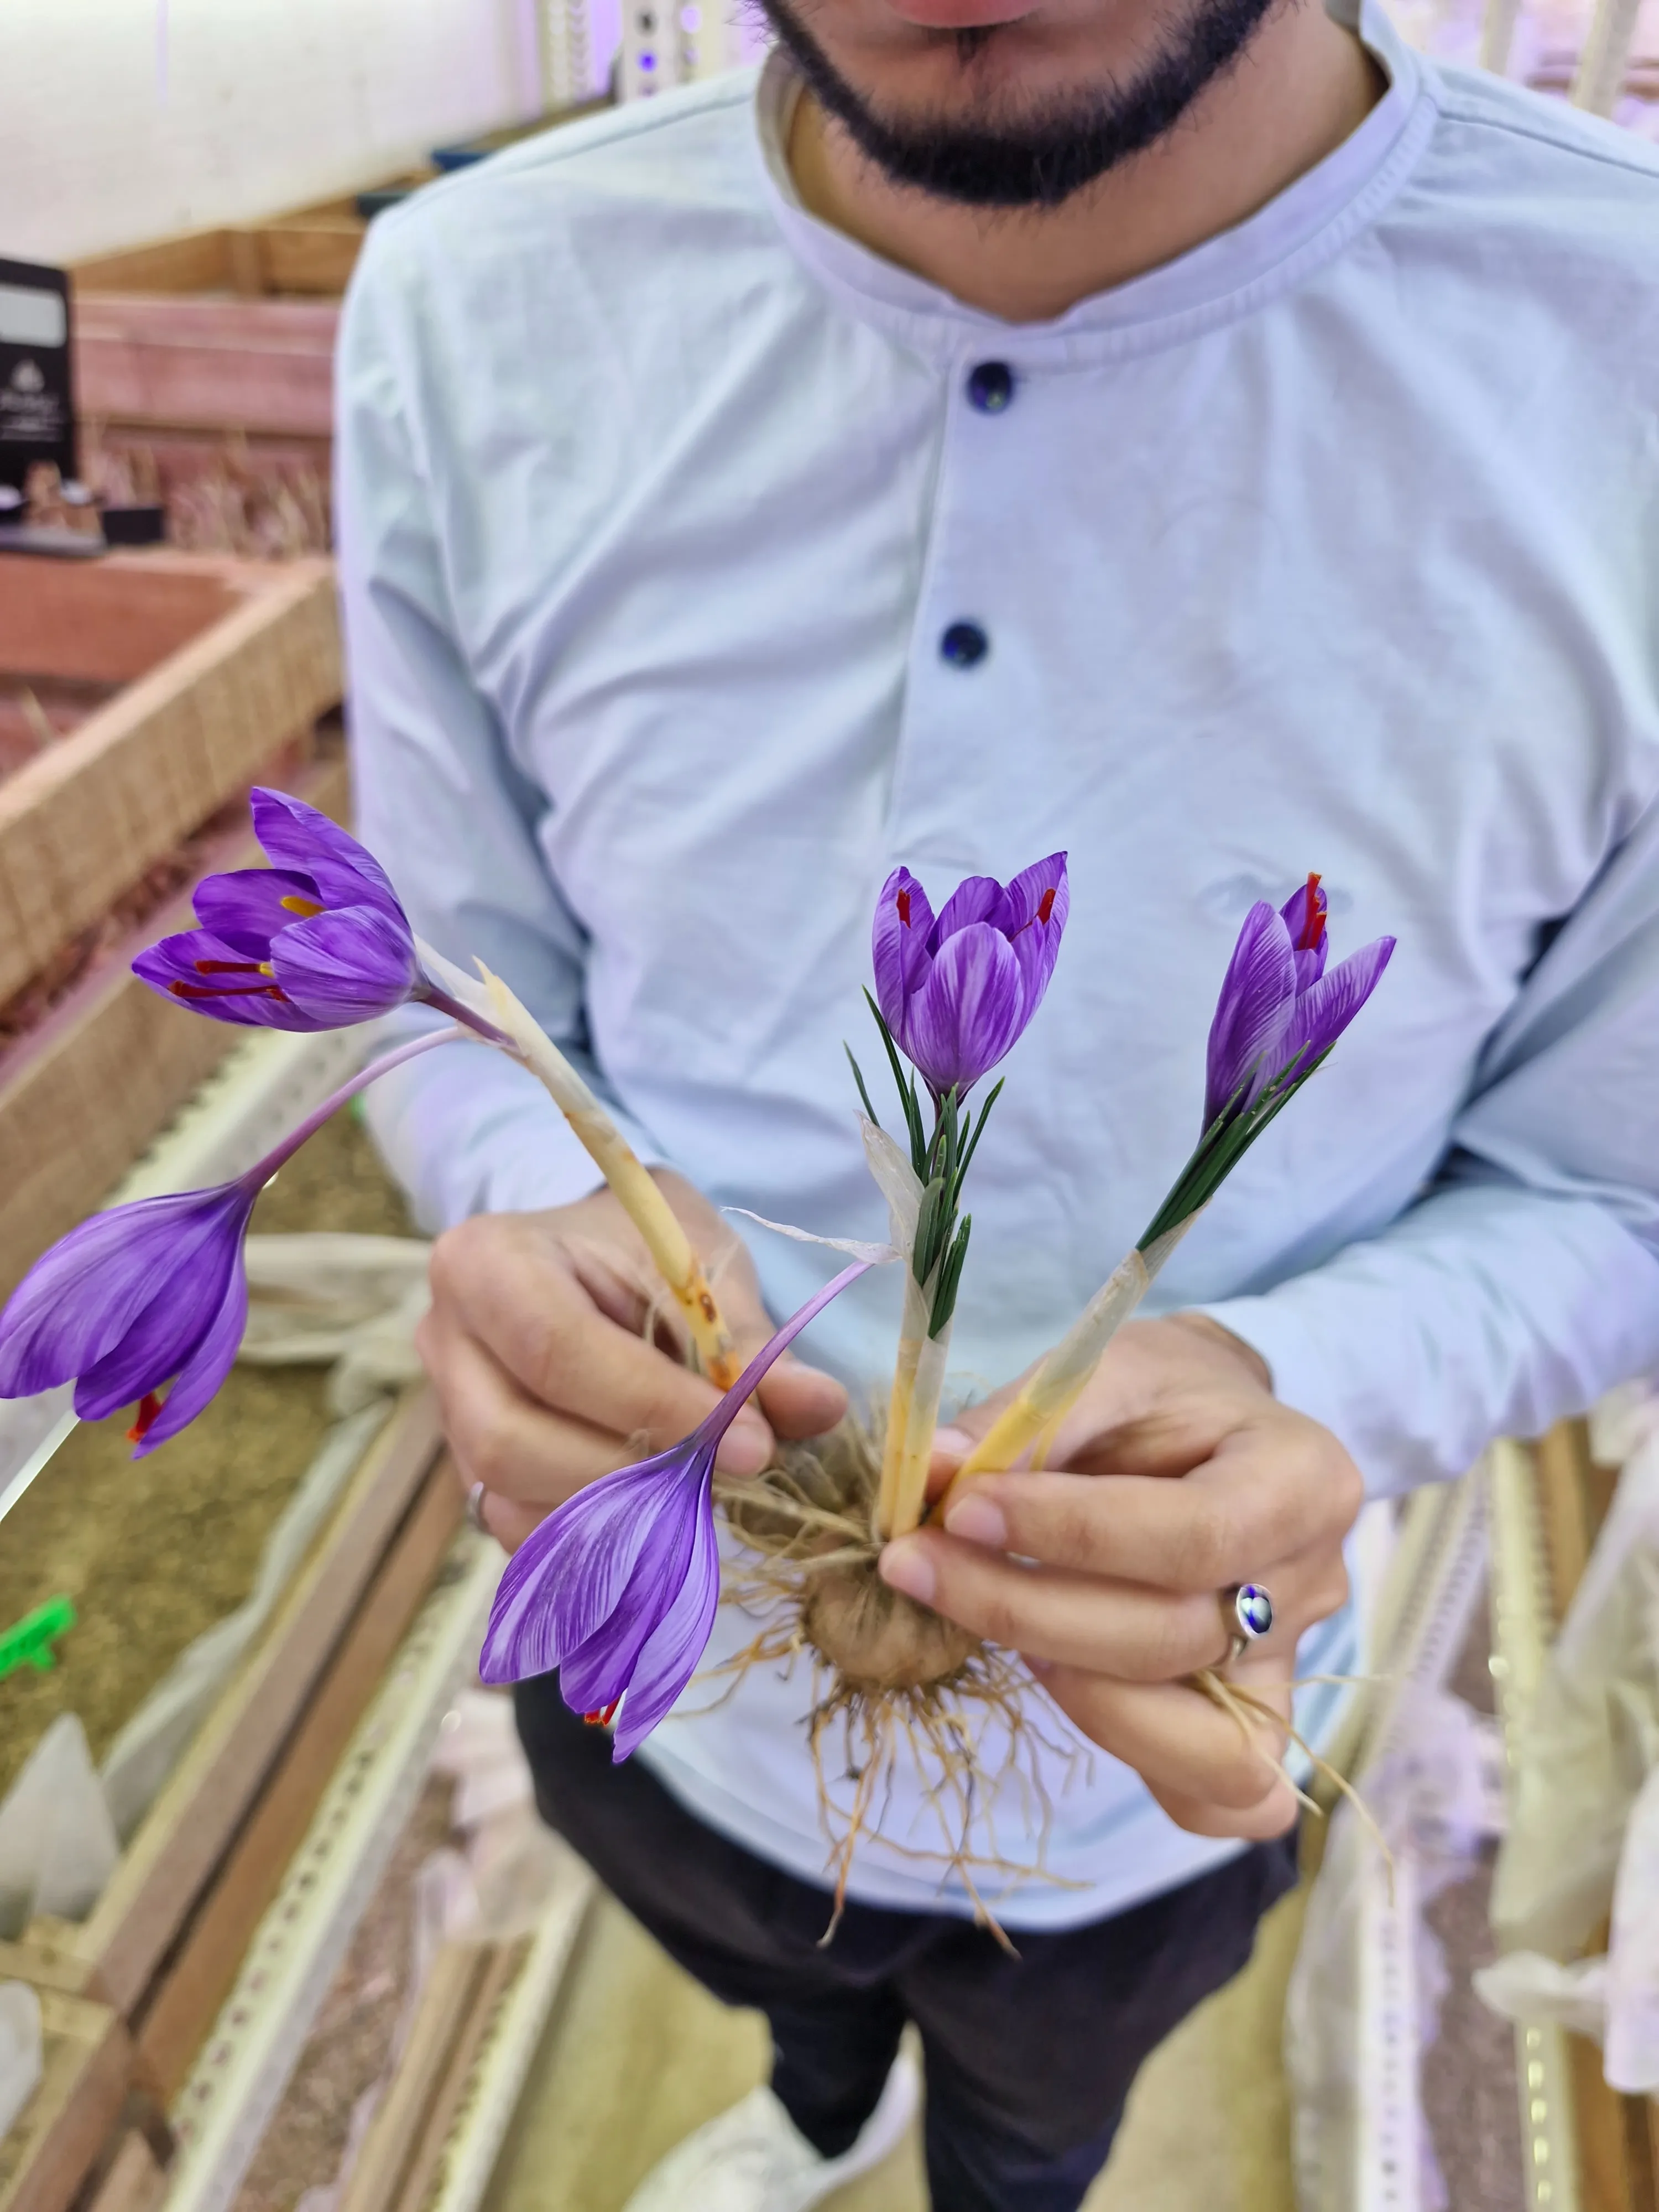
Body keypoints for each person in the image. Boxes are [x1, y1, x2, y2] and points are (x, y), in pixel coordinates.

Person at [335, 0, 1659, 2197]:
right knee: (769, 1971)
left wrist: (1285, 1369)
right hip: (647, 1677)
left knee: (1040, 2113)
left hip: (1152, 1763)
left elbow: (1623, 1191)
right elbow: (457, 984)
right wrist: (524, 1191)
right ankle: (808, 2105)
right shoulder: (472, 310)